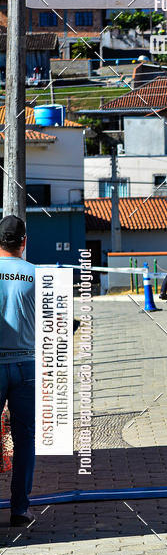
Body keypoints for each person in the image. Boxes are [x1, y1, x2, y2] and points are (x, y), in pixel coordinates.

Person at [0, 216, 36, 527]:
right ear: (23, 242)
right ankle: (20, 509)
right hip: (26, 363)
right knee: (24, 439)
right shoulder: (35, 274)